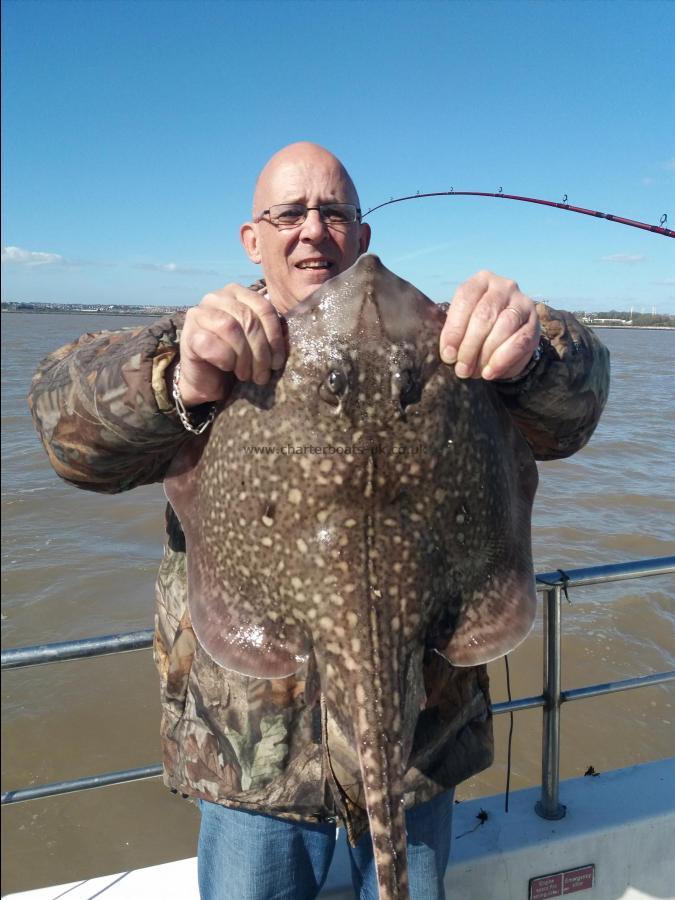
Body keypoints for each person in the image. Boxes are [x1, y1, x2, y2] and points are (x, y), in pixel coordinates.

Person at [29, 142, 610, 900]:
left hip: (418, 752)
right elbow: (66, 431)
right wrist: (173, 375)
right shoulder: (208, 345)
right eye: (289, 213)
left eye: (334, 213)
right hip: (254, 769)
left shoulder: (445, 344)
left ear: (362, 238)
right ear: (253, 239)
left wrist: (532, 350)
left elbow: (574, 410)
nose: (312, 230)